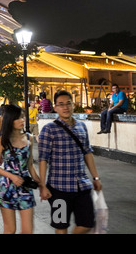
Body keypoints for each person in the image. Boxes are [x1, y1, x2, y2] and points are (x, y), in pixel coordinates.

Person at [39, 90, 102, 234]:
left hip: (82, 186)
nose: (65, 107)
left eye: (68, 103)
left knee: (87, 223)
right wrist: (43, 186)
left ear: (73, 105)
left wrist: (96, 177)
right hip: (58, 188)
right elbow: (43, 159)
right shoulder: (48, 130)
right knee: (60, 227)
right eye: (61, 104)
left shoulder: (81, 127)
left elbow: (87, 153)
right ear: (55, 107)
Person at [0, 104, 40, 234]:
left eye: (22, 117)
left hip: (25, 186)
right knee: (10, 230)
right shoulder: (2, 140)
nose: (22, 120)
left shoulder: (29, 138)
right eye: (18, 118)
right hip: (6, 188)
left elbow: (30, 165)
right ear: (10, 121)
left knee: (28, 230)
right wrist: (12, 176)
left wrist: (40, 183)